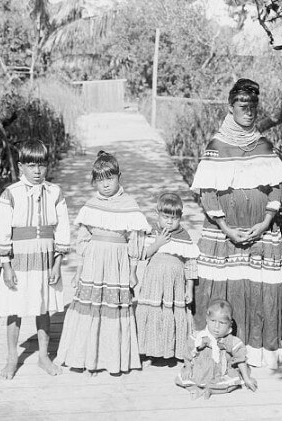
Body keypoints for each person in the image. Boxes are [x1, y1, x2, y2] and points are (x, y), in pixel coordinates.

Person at [190, 78, 282, 368]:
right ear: (231, 107)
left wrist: (265, 223)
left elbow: (276, 187)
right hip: (226, 234)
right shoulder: (217, 146)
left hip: (260, 233)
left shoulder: (264, 144)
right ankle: (216, 349)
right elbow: (208, 192)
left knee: (258, 289)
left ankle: (255, 351)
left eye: (253, 106)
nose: (249, 111)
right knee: (224, 287)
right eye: (243, 106)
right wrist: (226, 228)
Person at [55, 151, 151, 375]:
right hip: (93, 263)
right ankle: (86, 357)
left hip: (117, 264)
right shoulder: (90, 205)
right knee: (92, 307)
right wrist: (79, 270)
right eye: (100, 180)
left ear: (119, 177)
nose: (106, 185)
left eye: (110, 178)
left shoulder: (129, 205)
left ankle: (113, 358)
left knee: (112, 307)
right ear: (94, 182)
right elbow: (83, 240)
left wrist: (133, 271)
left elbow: (135, 240)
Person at [0, 141, 69, 379]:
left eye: (42, 165)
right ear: (21, 166)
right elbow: (1, 230)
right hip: (18, 259)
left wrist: (57, 262)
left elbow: (62, 229)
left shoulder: (55, 193)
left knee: (43, 306)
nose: (37, 171)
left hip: (46, 257)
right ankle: (12, 358)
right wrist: (6, 264)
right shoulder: (10, 194)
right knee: (13, 308)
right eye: (31, 165)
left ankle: (44, 356)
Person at [136, 192, 199, 363]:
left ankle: (175, 351)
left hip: (175, 284)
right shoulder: (153, 232)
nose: (170, 221)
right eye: (165, 217)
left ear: (181, 217)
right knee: (153, 314)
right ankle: (149, 351)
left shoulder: (184, 237)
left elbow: (191, 264)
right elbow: (143, 255)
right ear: (158, 215)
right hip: (154, 283)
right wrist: (158, 242)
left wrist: (189, 289)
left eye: (174, 218)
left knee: (172, 314)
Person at [175, 299, 258, 398]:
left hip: (220, 373)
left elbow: (241, 359)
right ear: (207, 319)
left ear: (229, 324)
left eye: (222, 323)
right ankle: (195, 389)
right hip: (200, 371)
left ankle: (210, 390)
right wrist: (188, 367)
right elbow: (188, 354)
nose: (216, 327)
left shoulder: (231, 340)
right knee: (183, 379)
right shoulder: (198, 337)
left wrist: (247, 378)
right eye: (213, 321)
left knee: (233, 383)